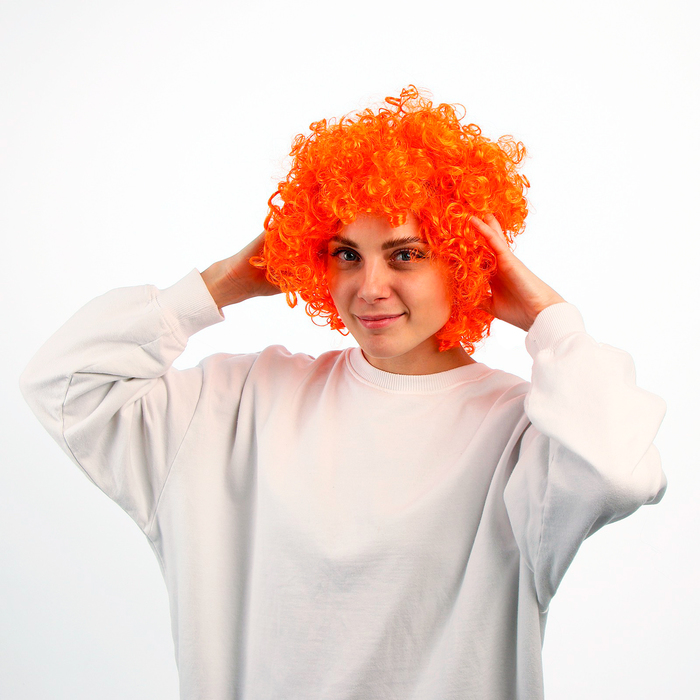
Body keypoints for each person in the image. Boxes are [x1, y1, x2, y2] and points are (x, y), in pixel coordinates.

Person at [20, 87, 667, 700]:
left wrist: (550, 319)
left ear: (466, 258)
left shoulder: (521, 433)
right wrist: (222, 283)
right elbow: (64, 384)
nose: (370, 287)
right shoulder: (240, 402)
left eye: (405, 254)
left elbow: (620, 472)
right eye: (346, 254)